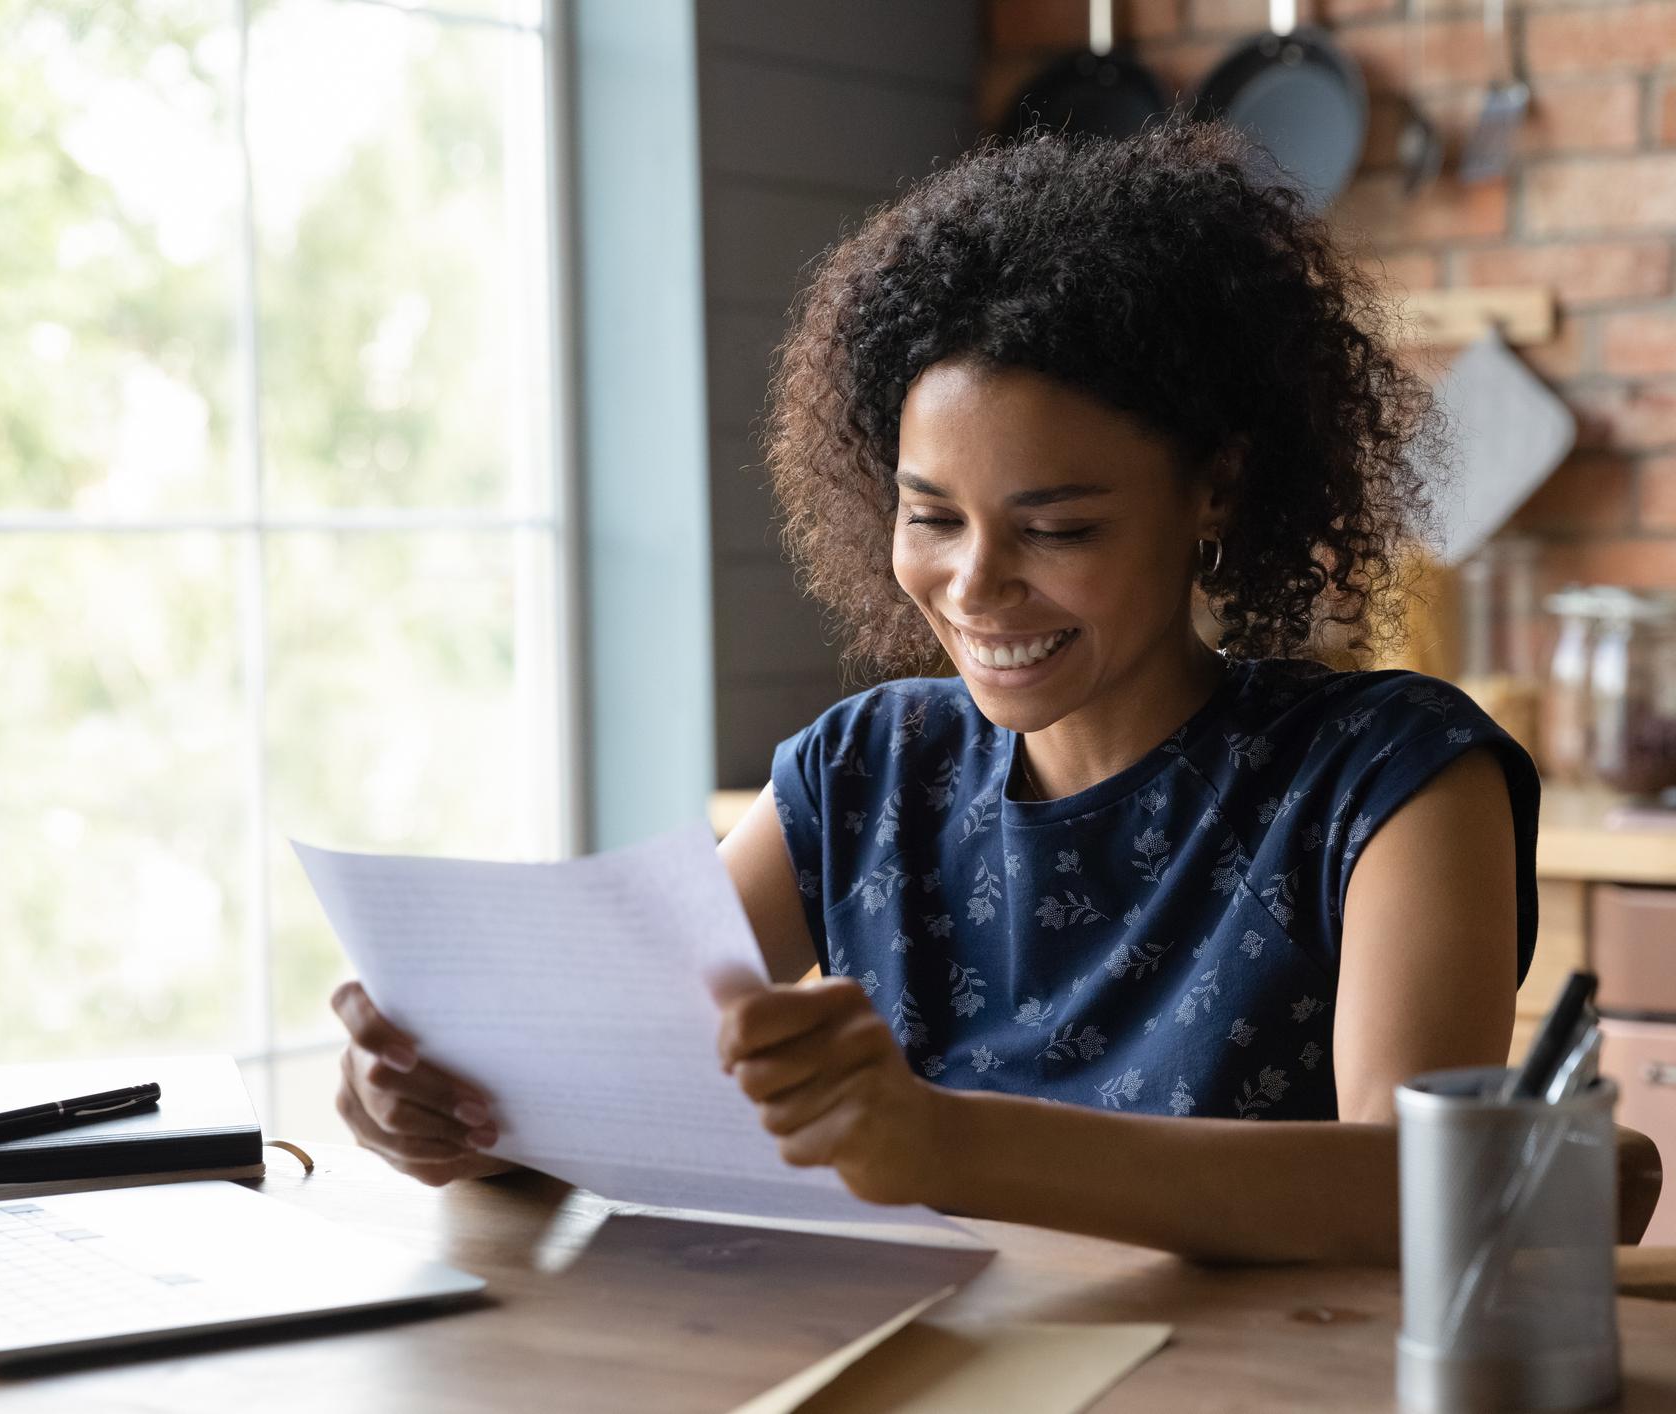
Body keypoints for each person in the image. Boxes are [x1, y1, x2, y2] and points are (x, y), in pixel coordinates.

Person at [330, 121, 1539, 1265]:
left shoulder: (1391, 779)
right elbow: (596, 1082)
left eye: (1056, 528)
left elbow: (1420, 1187)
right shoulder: (865, 772)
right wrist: (449, 1114)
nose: (974, 585)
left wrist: (950, 1144)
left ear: (1214, 489)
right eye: (932, 518)